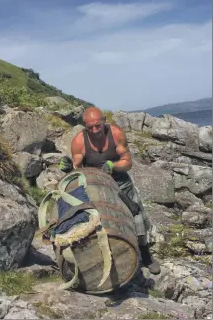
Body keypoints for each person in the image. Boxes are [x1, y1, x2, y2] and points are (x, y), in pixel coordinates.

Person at [59, 107, 160, 275]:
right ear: (85, 126)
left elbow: (128, 162)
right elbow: (77, 168)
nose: (94, 130)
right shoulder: (79, 141)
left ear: (104, 121)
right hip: (95, 184)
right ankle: (98, 257)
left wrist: (113, 165)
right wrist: (68, 168)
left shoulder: (116, 134)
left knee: (138, 218)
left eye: (97, 126)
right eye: (90, 127)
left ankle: (146, 255)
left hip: (121, 182)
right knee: (97, 221)